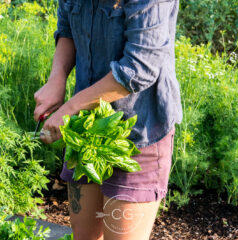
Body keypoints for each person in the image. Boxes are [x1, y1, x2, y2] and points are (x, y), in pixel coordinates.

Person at [34, 0, 182, 239]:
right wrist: (57, 78)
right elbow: (68, 29)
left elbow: (139, 67)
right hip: (86, 128)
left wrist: (70, 107)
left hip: (137, 134)